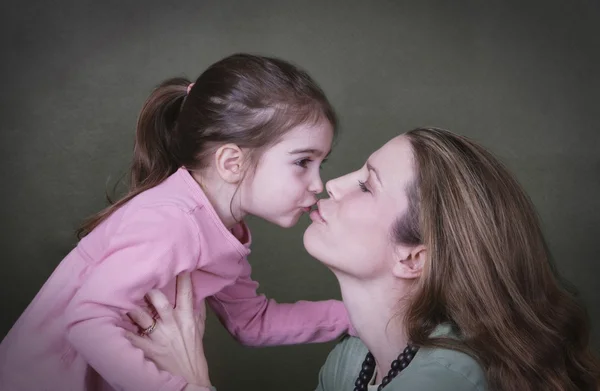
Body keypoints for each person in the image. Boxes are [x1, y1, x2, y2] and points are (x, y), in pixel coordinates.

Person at [127, 127, 600, 391]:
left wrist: (188, 384)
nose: (332, 184)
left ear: (413, 257)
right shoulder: (352, 362)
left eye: (368, 184)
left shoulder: (449, 380)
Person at [0, 53, 355, 391]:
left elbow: (252, 322)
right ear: (232, 162)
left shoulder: (219, 229)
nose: (318, 185)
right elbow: (88, 318)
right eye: (302, 162)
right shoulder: (170, 221)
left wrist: (356, 317)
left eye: (319, 164)